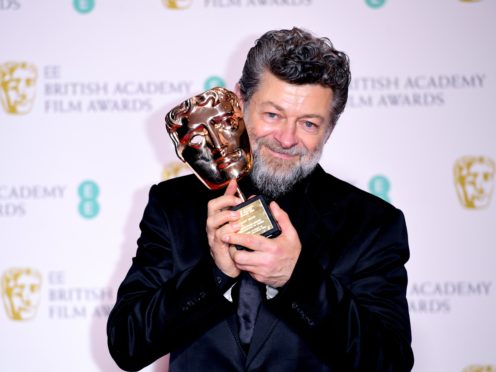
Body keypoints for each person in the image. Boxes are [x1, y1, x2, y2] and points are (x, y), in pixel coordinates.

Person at [107, 27, 414, 371]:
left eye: (309, 124)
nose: (286, 138)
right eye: (272, 115)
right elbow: (127, 343)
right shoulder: (173, 205)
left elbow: (390, 362)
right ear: (239, 102)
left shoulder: (372, 223)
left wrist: (296, 278)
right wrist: (215, 275)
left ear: (330, 127)